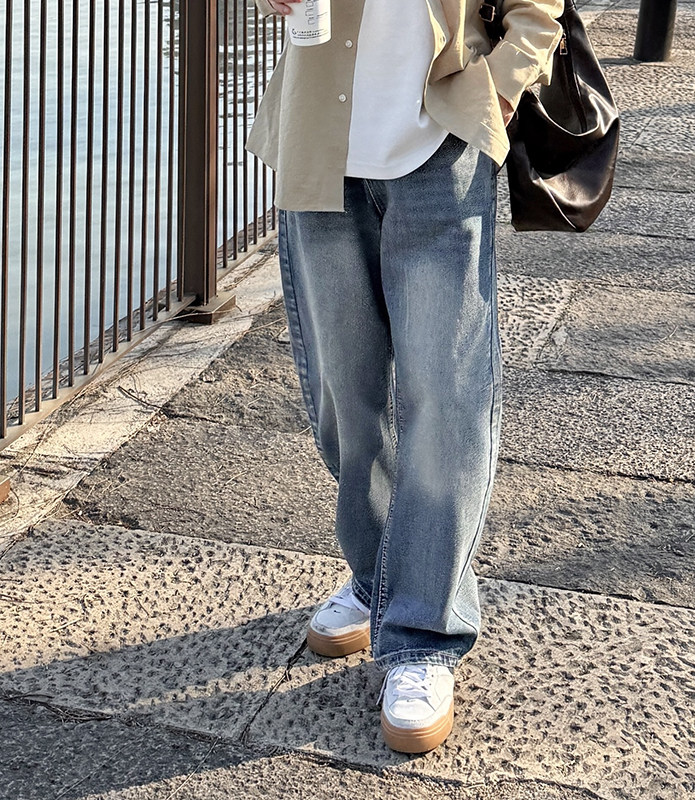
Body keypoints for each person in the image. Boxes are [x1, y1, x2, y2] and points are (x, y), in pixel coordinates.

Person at [246, 0, 563, 754]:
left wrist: (501, 87)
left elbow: (539, 8)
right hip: (319, 141)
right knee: (343, 395)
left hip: (439, 150)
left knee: (444, 401)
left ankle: (425, 630)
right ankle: (377, 576)